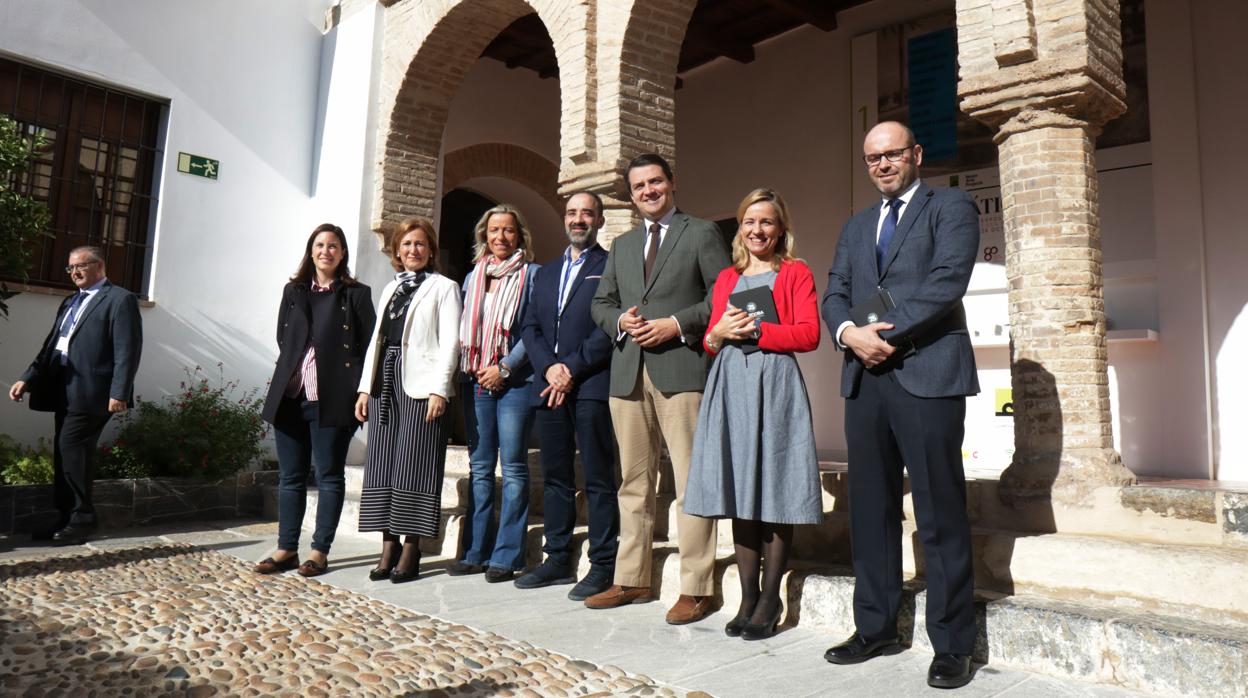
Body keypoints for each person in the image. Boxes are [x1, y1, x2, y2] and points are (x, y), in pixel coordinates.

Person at [821, 121, 980, 689]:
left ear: (916, 153)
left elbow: (947, 280)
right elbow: (834, 290)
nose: (882, 165)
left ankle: (954, 642)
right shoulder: (857, 225)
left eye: (892, 154)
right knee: (870, 510)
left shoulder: (950, 206)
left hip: (926, 372)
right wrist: (847, 334)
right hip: (865, 378)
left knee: (939, 512)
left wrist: (883, 334)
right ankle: (876, 627)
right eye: (872, 158)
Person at [588, 153, 731, 625]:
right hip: (628, 373)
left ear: (672, 182)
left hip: (682, 370)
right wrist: (619, 321)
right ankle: (632, 578)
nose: (648, 191)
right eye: (639, 186)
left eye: (655, 182)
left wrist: (676, 323)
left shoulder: (702, 232)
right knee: (632, 482)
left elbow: (720, 295)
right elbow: (602, 302)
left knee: (691, 482)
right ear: (629, 194)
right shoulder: (623, 245)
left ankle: (696, 587)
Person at [685, 188, 822, 641]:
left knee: (774, 488)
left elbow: (808, 335)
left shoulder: (795, 272)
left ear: (780, 228)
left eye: (765, 222)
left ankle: (770, 596)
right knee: (740, 490)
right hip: (730, 385)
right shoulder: (726, 277)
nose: (756, 230)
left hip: (774, 383)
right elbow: (708, 341)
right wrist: (718, 332)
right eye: (748, 221)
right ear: (740, 228)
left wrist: (759, 330)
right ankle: (746, 596)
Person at [256, 223, 375, 578]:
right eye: (320, 245)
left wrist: (361, 390)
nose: (326, 251)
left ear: (342, 253)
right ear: (311, 251)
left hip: (332, 398)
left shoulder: (356, 294)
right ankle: (286, 548)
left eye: (334, 246)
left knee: (329, 476)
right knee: (290, 477)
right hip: (291, 396)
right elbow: (284, 338)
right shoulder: (293, 291)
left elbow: (368, 347)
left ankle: (320, 550)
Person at [516, 191, 618, 601]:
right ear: (565, 219)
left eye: (587, 213)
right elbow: (530, 326)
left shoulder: (610, 266)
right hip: (549, 386)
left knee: (597, 477)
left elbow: (609, 328)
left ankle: (603, 564)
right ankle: (556, 559)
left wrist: (571, 369)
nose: (579, 220)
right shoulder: (547, 271)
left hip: (590, 384)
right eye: (573, 213)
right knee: (555, 476)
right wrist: (549, 368)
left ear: (599, 220)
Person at [8, 245, 142, 546]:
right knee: (64, 453)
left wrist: (119, 391)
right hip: (64, 390)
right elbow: (53, 346)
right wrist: (27, 378)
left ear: (100, 266)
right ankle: (66, 517)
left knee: (73, 452)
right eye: (70, 268)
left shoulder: (120, 300)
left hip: (95, 394)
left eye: (81, 265)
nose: (75, 272)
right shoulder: (70, 302)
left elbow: (127, 350)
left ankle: (82, 520)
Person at [355, 217, 462, 583]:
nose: (412, 250)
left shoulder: (444, 287)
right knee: (383, 461)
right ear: (397, 251)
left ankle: (412, 547)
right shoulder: (390, 289)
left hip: (422, 384)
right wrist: (364, 388)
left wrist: (439, 388)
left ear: (430, 250)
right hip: (386, 377)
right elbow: (376, 340)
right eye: (406, 245)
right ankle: (388, 544)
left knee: (415, 463)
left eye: (419, 244)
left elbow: (451, 341)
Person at [449, 204, 540, 583]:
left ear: (520, 236)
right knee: (481, 467)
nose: (500, 237)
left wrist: (503, 368)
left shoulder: (531, 276)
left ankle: (506, 555)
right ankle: (475, 551)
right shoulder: (473, 277)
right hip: (476, 380)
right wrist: (478, 371)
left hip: (515, 381)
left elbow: (535, 329)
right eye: (494, 230)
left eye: (508, 231)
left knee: (515, 467)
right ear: (483, 236)